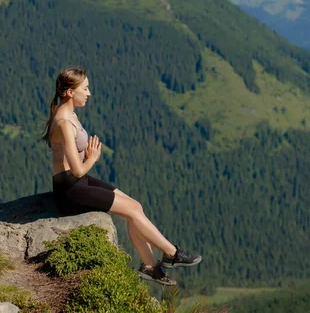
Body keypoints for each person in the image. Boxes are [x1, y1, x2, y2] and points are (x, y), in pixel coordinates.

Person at [42, 67, 201, 286]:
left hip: (77, 182)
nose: (89, 93)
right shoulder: (64, 122)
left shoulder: (66, 112)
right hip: (70, 190)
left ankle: (149, 267)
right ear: (70, 92)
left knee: (134, 206)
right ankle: (172, 254)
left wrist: (84, 156)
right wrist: (93, 158)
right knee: (133, 211)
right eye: (85, 89)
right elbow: (78, 170)